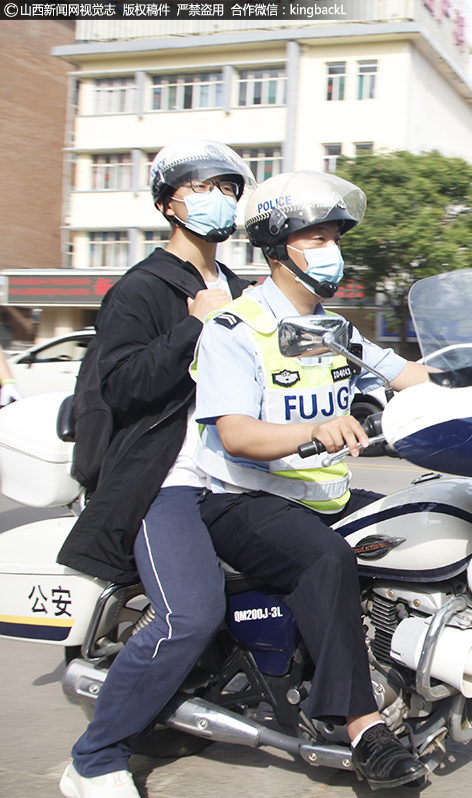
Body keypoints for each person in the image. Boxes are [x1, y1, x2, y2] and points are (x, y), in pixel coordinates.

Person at [191, 171, 430, 790]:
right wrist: (312, 430)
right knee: (326, 562)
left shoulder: (334, 329)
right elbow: (237, 434)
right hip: (245, 498)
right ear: (277, 251)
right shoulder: (234, 329)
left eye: (333, 236)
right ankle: (363, 728)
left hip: (324, 494)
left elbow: (407, 377)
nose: (332, 249)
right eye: (315, 238)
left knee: (428, 518)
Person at [55, 139, 257, 798]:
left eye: (229, 189)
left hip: (241, 471)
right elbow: (119, 385)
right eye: (203, 188)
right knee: (190, 613)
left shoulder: (241, 288)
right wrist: (191, 329)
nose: (219, 200)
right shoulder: (142, 288)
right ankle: (94, 758)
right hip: (165, 480)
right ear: (169, 201)